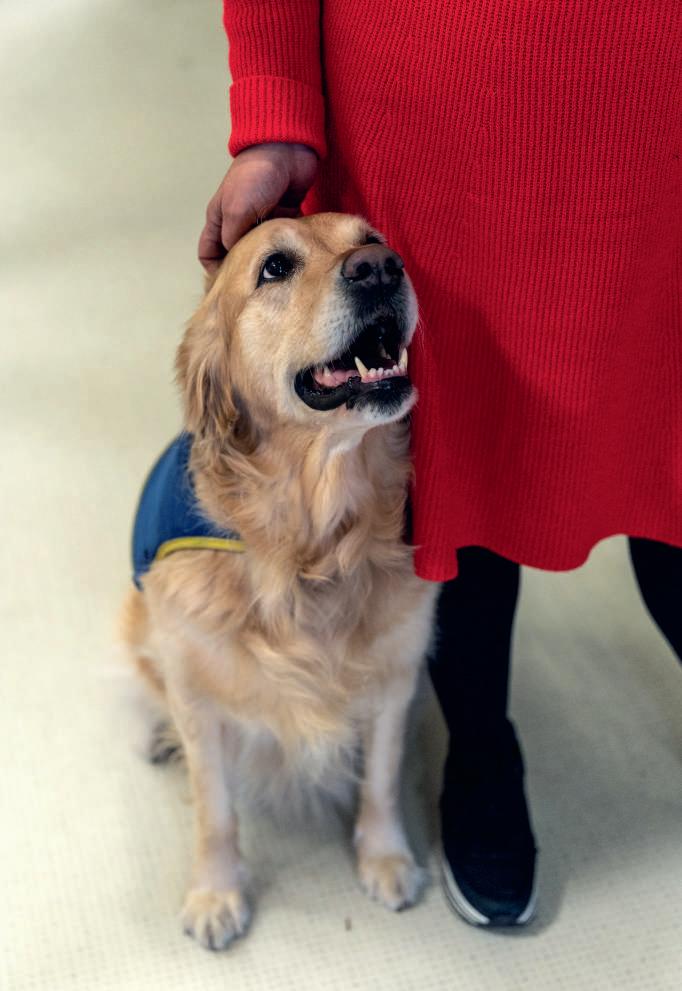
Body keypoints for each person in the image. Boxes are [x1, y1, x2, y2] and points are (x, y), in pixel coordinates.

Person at [198, 2, 682, 926]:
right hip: (437, 109)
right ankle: (481, 748)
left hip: (663, 100)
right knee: (464, 448)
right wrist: (273, 101)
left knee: (667, 424)